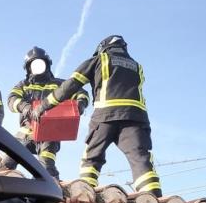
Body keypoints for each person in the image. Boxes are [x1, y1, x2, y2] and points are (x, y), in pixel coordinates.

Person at [35, 35, 160, 194]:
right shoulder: (137, 66)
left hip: (105, 117)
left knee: (92, 158)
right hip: (136, 120)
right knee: (140, 158)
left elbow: (71, 85)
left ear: (103, 48)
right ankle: (154, 199)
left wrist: (45, 105)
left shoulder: (99, 60)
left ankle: (85, 192)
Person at [7, 45, 88, 179]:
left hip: (50, 131)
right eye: (34, 64)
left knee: (46, 166)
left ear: (47, 64)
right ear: (28, 68)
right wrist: (25, 107)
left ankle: (51, 188)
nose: (38, 67)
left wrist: (81, 104)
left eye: (40, 63)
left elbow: (80, 92)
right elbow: (12, 99)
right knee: (8, 159)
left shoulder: (59, 84)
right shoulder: (23, 85)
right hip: (27, 129)